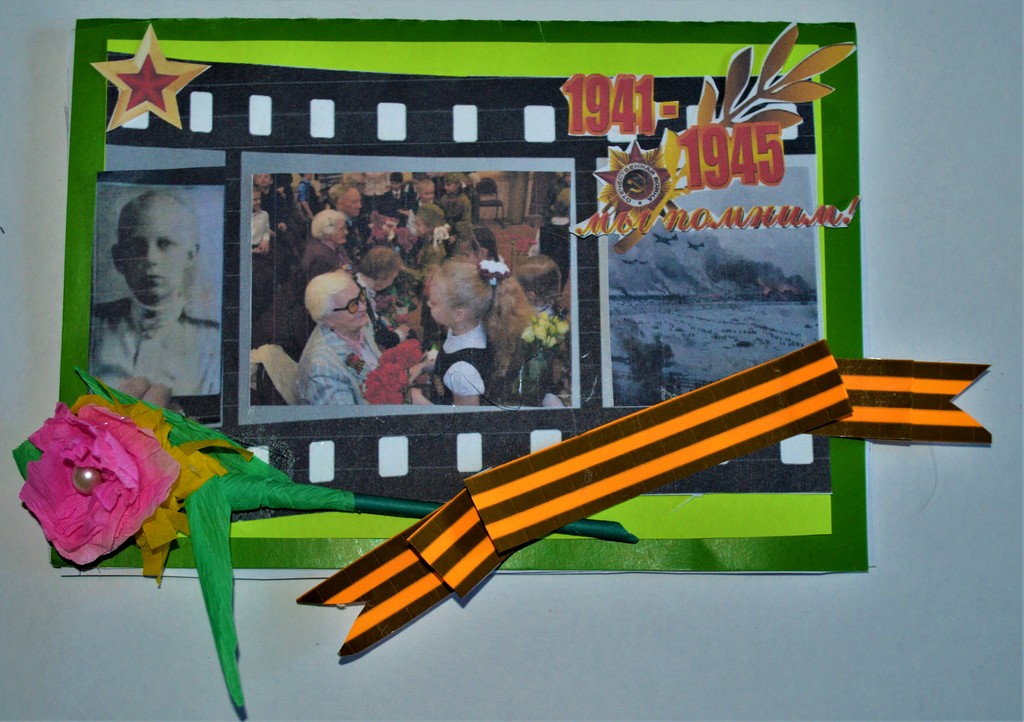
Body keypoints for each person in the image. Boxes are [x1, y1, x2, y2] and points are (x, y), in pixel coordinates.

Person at [89, 190, 220, 406]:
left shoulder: (212, 340)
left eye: (165, 244)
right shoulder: (95, 328)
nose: (151, 258)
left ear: (190, 255)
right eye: (137, 246)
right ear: (119, 258)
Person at [409, 259, 531, 407]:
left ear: (458, 315)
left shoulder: (463, 371)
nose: (428, 304)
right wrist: (425, 367)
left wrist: (418, 400)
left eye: (434, 303)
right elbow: (450, 361)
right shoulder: (468, 331)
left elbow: (464, 420)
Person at [296, 270, 381, 405]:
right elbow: (348, 417)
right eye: (352, 305)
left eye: (361, 297)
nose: (363, 307)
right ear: (328, 319)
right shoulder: (323, 368)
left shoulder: (358, 324)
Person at [355, 246, 410, 350]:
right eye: (393, 278)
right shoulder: (357, 294)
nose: (392, 282)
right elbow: (369, 335)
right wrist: (398, 335)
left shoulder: (360, 285)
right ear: (382, 275)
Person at [301, 209, 352, 282]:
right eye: (341, 229)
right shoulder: (320, 256)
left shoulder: (335, 246)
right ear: (327, 232)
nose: (346, 232)